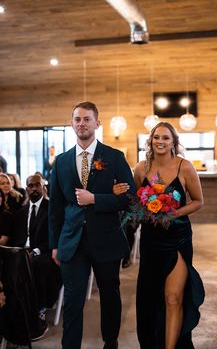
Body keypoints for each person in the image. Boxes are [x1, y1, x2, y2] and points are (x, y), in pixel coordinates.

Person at [49, 101, 136, 349]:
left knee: (110, 297)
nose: (81, 124)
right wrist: (55, 244)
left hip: (106, 240)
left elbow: (130, 200)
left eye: (87, 119)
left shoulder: (115, 158)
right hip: (72, 242)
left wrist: (96, 199)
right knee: (73, 302)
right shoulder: (62, 162)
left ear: (97, 123)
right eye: (77, 119)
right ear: (71, 124)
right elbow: (55, 208)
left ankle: (111, 343)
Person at [115, 122, 205, 349]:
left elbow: (198, 201)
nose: (161, 142)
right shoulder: (141, 168)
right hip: (151, 241)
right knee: (152, 298)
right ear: (151, 141)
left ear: (173, 142)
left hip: (178, 238)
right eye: (157, 138)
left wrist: (174, 213)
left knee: (173, 298)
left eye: (166, 138)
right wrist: (126, 197)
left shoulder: (185, 167)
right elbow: (135, 201)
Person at [13, 174, 61, 328]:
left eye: (37, 185)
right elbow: (17, 238)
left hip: (45, 252)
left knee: (35, 264)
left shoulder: (51, 208)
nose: (34, 188)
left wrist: (35, 251)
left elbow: (55, 237)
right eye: (30, 186)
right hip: (23, 252)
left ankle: (38, 309)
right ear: (26, 188)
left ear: (43, 187)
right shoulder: (22, 211)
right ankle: (16, 307)